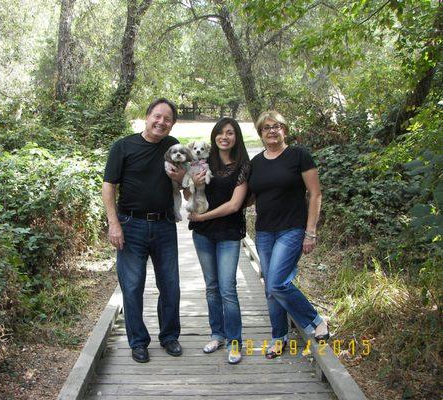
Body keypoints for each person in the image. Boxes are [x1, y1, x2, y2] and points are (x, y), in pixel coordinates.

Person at [102, 98, 185, 363]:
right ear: (147, 116)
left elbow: (183, 185)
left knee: (170, 285)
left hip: (164, 225)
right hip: (130, 225)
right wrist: (113, 224)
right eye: (157, 116)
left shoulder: (173, 146)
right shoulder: (123, 146)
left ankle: (169, 336)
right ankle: (138, 342)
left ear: (172, 124)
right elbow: (109, 187)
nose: (161, 122)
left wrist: (179, 178)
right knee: (133, 286)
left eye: (168, 119)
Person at [248, 110, 329, 359]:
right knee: (270, 288)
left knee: (277, 282)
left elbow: (315, 194)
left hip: (292, 229)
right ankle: (278, 337)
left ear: (285, 129)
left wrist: (311, 232)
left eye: (277, 126)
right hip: (263, 232)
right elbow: (250, 197)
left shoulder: (298, 155)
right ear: (260, 133)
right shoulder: (256, 163)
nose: (271, 131)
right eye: (266, 128)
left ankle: (315, 320)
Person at [187, 117, 250, 364]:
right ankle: (217, 334)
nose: (225, 137)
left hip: (228, 233)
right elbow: (187, 192)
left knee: (227, 288)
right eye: (220, 133)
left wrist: (202, 217)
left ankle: (235, 342)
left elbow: (235, 205)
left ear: (236, 137)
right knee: (211, 287)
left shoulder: (243, 166)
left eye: (230, 133)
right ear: (214, 136)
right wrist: (193, 183)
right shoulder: (203, 161)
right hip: (203, 236)